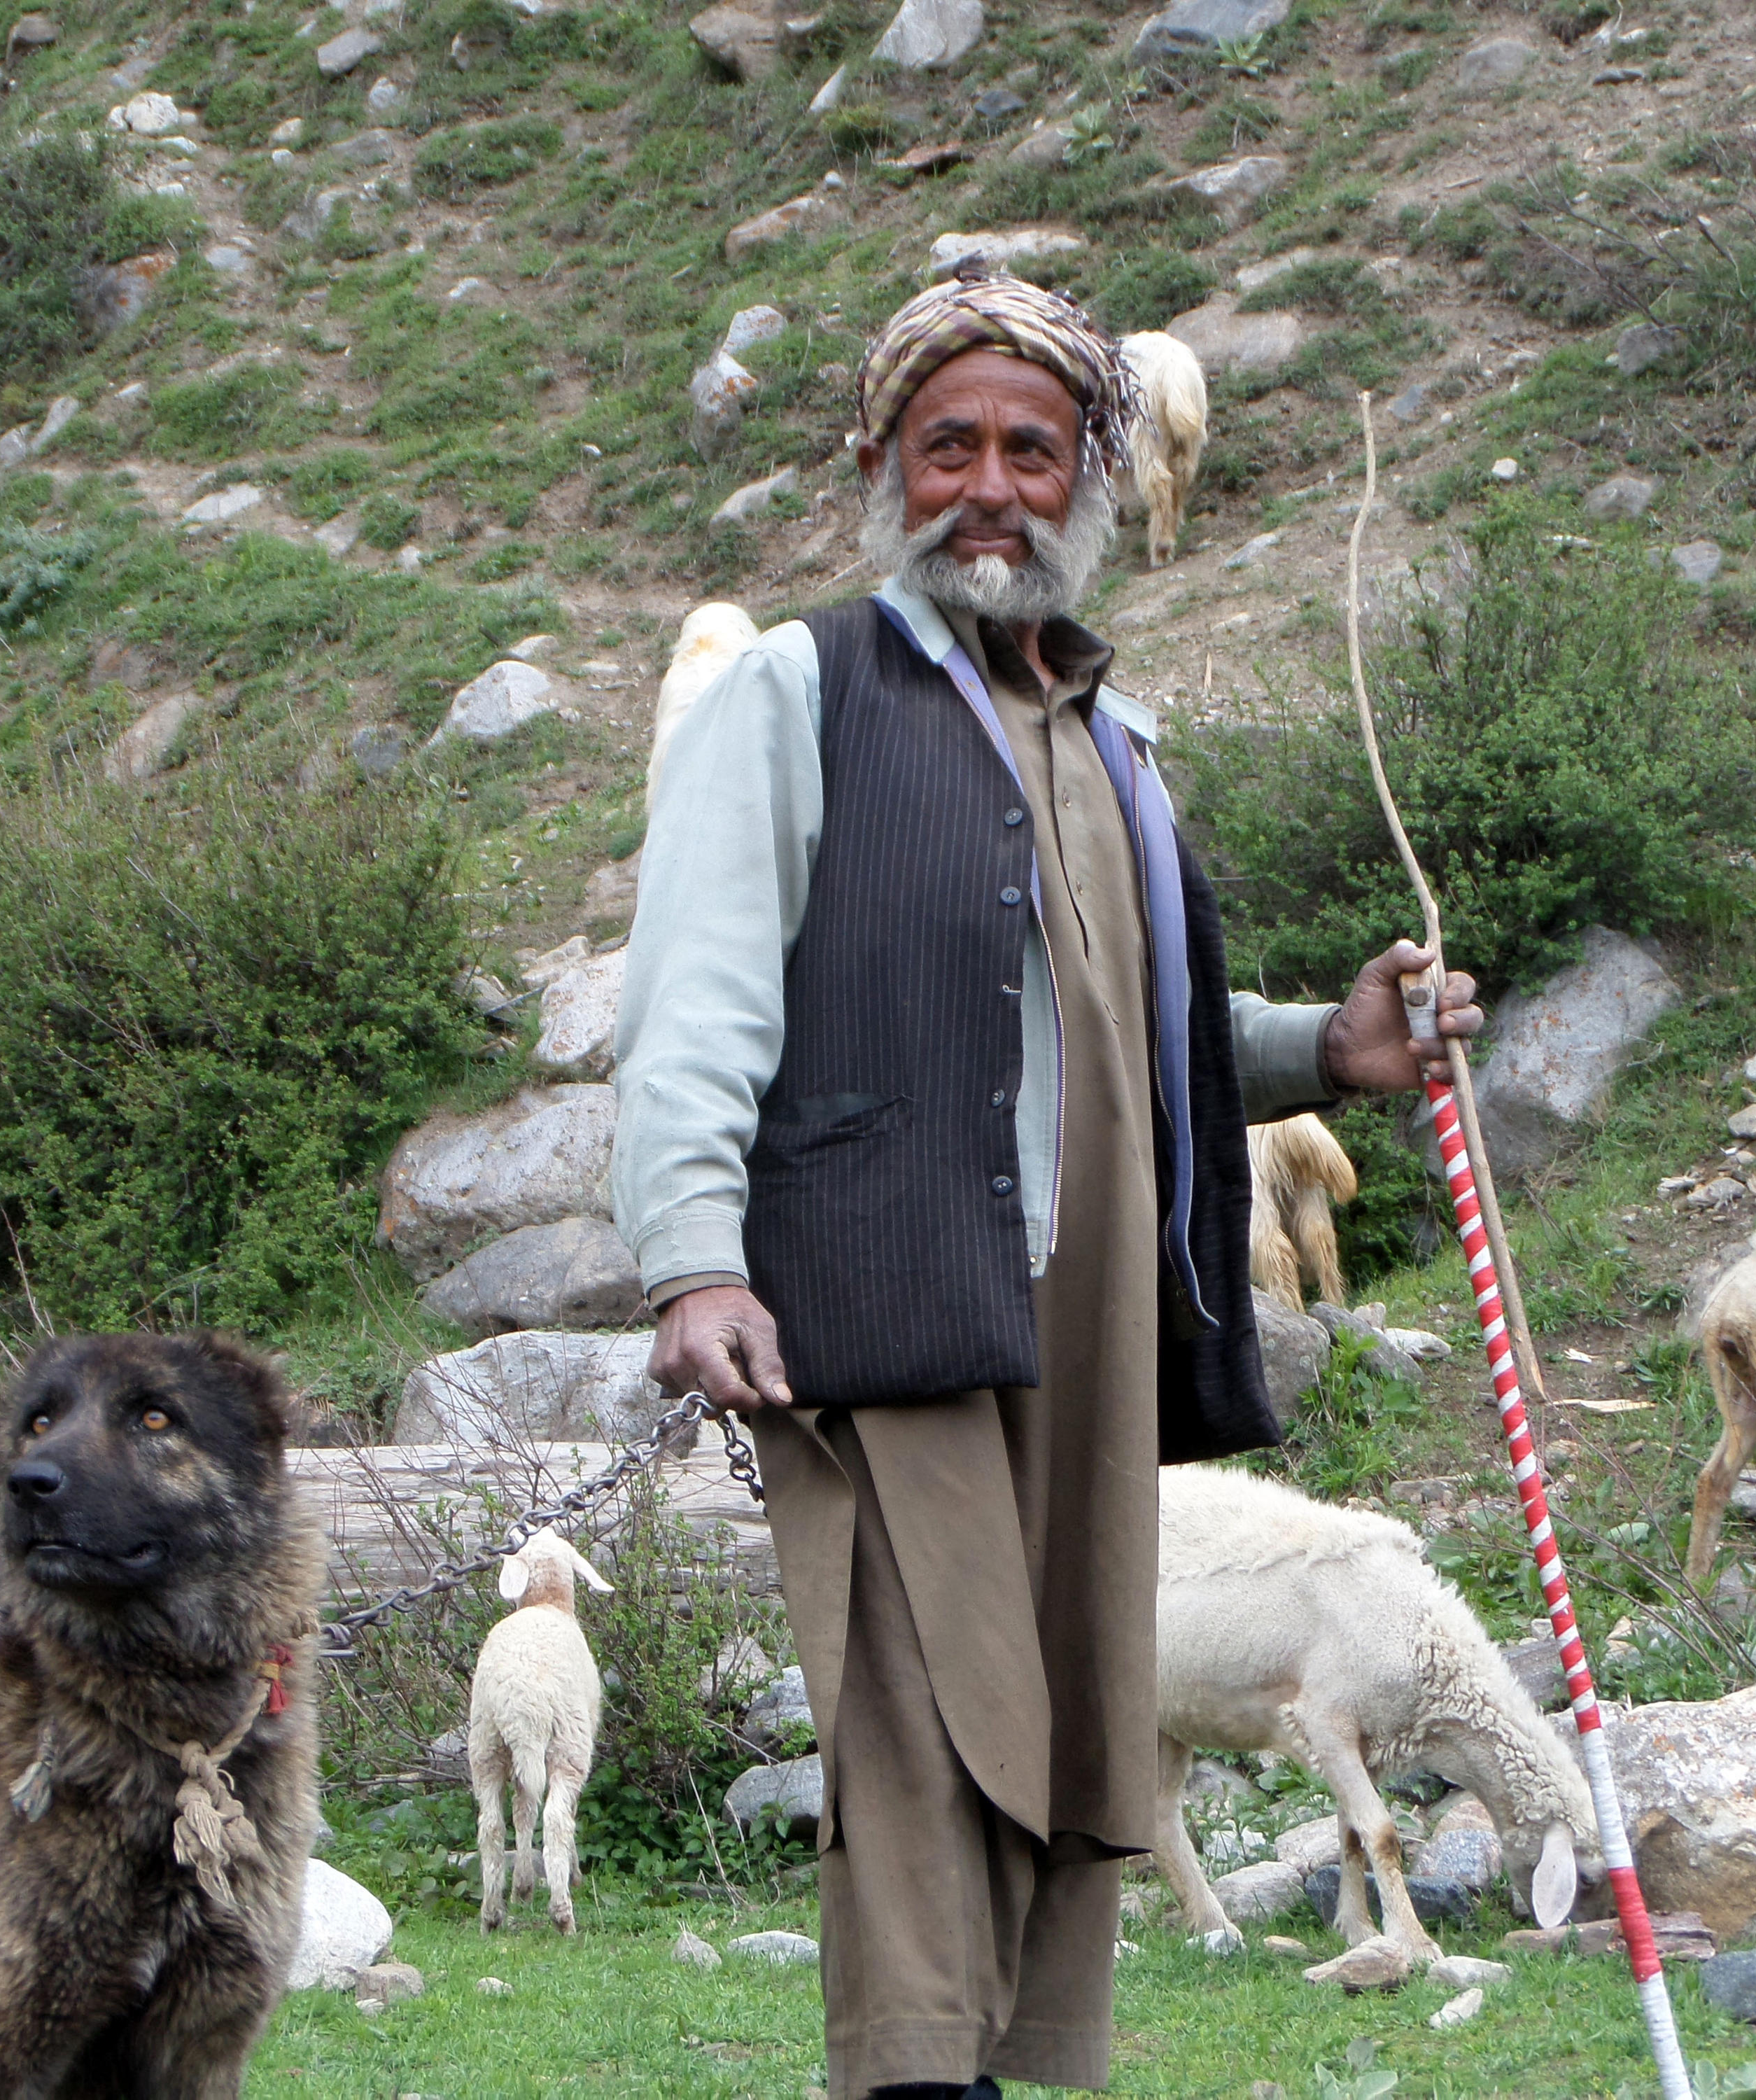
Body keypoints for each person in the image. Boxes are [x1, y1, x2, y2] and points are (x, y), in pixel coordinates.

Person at [610, 266, 1480, 2100]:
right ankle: (922, 2077)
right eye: (950, 445)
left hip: (1087, 1327)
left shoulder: (1104, 736)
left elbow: (1121, 1015)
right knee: (926, 1710)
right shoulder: (796, 692)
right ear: (880, 464)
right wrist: (695, 1259)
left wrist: (1331, 1049)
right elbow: (692, 998)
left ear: (1088, 478)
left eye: (1030, 446)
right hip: (887, 1291)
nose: (990, 485)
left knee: (1070, 1719)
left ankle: (997, 2067)